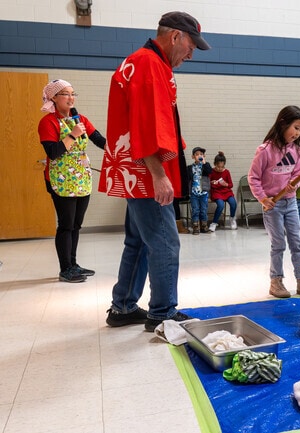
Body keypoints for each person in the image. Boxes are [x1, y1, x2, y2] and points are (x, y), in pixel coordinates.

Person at [101, 11, 210, 331]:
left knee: (137, 239)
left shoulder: (142, 61)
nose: (192, 53)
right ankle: (162, 311)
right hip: (146, 171)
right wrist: (159, 175)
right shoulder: (149, 64)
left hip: (135, 171)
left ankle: (122, 306)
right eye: (191, 46)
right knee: (165, 242)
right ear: (175, 36)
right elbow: (146, 124)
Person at [38, 79, 106, 283]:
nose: (71, 97)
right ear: (53, 98)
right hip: (60, 179)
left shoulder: (81, 118)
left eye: (73, 93)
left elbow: (99, 140)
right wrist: (73, 135)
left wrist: (120, 152)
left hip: (81, 177)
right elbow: (53, 152)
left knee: (76, 224)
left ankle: (73, 264)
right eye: (65, 94)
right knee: (66, 225)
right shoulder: (47, 122)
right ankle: (64, 269)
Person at [248, 105, 300, 298]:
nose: (298, 133)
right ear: (283, 124)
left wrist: (294, 185)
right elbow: (254, 177)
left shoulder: (298, 152)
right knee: (278, 244)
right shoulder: (265, 150)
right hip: (272, 205)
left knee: (297, 243)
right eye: (295, 128)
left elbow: (298, 173)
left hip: (290, 203)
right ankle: (276, 281)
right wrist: (263, 198)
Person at [209, 151, 237, 231]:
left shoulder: (226, 172)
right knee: (220, 205)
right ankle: (214, 223)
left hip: (226, 191)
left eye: (222, 167)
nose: (220, 169)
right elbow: (208, 184)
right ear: (215, 164)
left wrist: (226, 184)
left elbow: (231, 185)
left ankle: (232, 219)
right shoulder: (211, 171)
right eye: (218, 167)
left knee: (233, 203)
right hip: (216, 192)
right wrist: (212, 182)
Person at [187, 146, 212, 234]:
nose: (199, 156)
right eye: (197, 154)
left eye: (201, 154)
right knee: (195, 209)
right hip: (194, 193)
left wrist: (204, 163)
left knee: (203, 210)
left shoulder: (206, 166)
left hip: (204, 192)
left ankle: (204, 226)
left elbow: (209, 172)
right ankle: (195, 227)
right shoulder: (190, 168)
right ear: (193, 157)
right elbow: (187, 179)